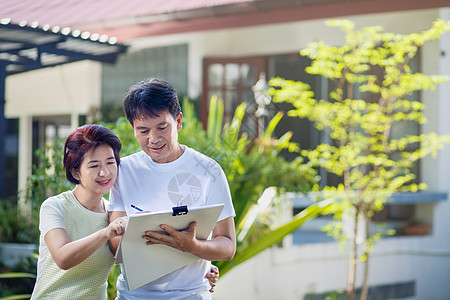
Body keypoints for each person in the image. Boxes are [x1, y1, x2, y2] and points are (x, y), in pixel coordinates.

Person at [108, 77, 236, 299]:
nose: (153, 139)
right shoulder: (124, 171)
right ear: (133, 130)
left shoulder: (209, 171)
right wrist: (139, 232)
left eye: (162, 127)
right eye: (143, 131)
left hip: (191, 295)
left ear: (178, 121)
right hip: (134, 295)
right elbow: (113, 244)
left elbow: (227, 245)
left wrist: (192, 246)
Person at [31, 124, 128, 299]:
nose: (105, 172)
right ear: (76, 172)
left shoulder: (114, 213)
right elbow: (63, 258)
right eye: (94, 165)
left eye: (110, 162)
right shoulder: (54, 207)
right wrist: (106, 233)